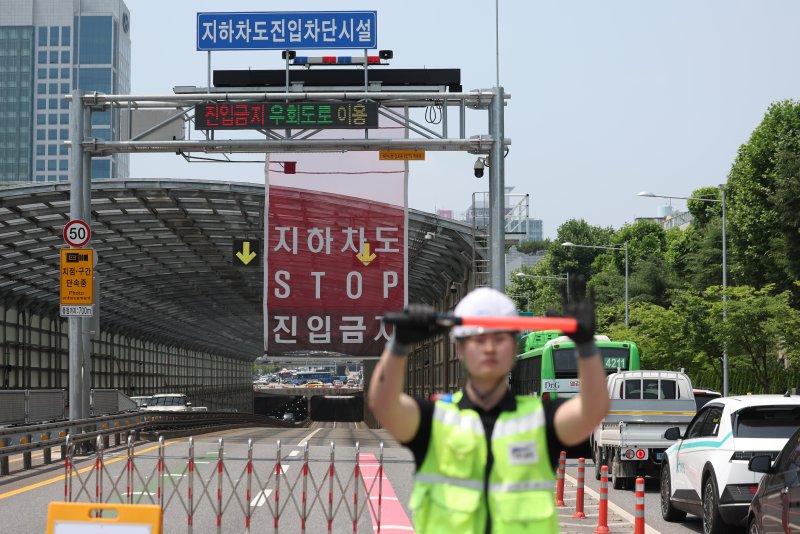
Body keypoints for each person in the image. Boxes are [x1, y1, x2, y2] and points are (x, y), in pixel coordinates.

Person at [367, 283, 610, 533]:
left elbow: (593, 410)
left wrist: (586, 347)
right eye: (478, 339)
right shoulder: (434, 420)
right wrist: (398, 346)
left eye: (500, 338)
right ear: (459, 348)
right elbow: (384, 404)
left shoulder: (540, 419)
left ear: (515, 347)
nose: (490, 347)